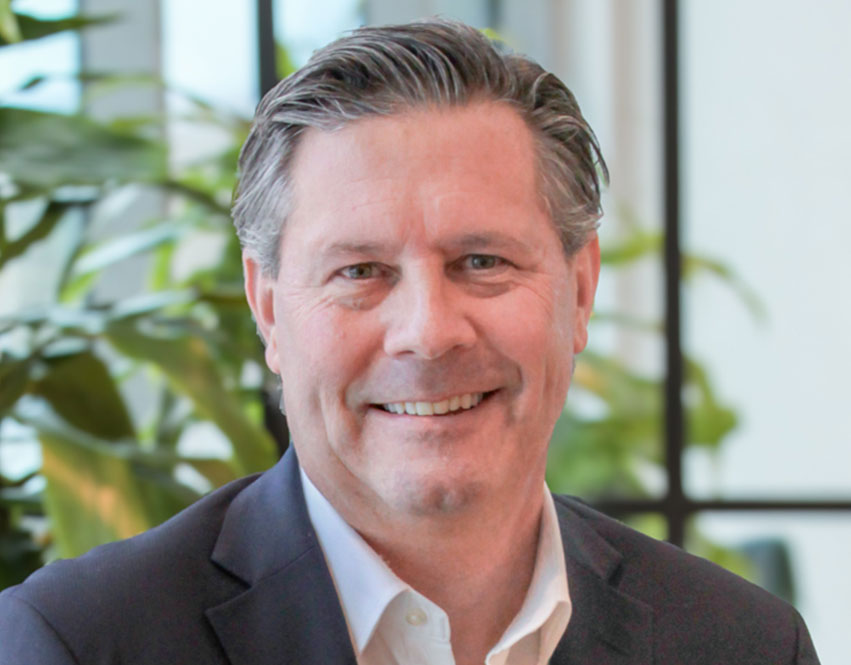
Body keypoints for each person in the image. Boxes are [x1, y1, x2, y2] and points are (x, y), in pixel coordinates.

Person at [0, 18, 820, 665]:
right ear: (270, 308)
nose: (428, 331)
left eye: (481, 260)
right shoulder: (82, 643)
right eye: (360, 271)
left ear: (578, 288)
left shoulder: (741, 645)